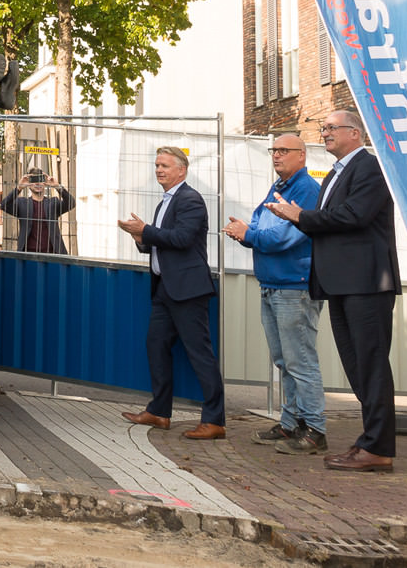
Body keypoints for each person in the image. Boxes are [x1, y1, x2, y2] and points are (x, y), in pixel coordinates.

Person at [264, 109, 399, 473]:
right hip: (341, 284)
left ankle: (379, 447)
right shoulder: (336, 175)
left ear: (354, 133)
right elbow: (330, 226)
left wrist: (300, 218)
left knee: (370, 365)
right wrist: (297, 218)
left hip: (367, 284)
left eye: (330, 128)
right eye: (322, 128)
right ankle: (370, 441)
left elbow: (354, 217)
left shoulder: (370, 168)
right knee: (356, 366)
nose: (324, 133)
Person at [225, 134, 325, 454]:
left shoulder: (306, 189)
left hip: (293, 287)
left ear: (302, 155)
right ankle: (290, 423)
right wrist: (248, 233)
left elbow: (283, 238)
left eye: (284, 151)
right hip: (272, 285)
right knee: (284, 361)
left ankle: (315, 429)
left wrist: (249, 234)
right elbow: (260, 226)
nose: (277, 155)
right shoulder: (279, 187)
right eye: (274, 150)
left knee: (300, 360)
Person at [117, 146, 225, 441]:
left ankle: (215, 420)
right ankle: (160, 412)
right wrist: (139, 236)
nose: (159, 170)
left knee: (200, 355)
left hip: (188, 290)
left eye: (165, 165)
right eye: (156, 165)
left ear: (182, 170)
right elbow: (161, 242)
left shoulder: (190, 199)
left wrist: (146, 230)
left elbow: (182, 238)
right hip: (165, 288)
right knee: (156, 346)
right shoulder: (166, 201)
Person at [0, 167, 73, 254]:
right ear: (29, 184)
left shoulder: (53, 203)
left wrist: (58, 187)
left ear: (44, 183)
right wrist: (18, 188)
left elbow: (71, 203)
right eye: (33, 180)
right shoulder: (22, 204)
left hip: (53, 255)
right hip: (28, 255)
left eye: (40, 179)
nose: (37, 183)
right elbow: (3, 205)